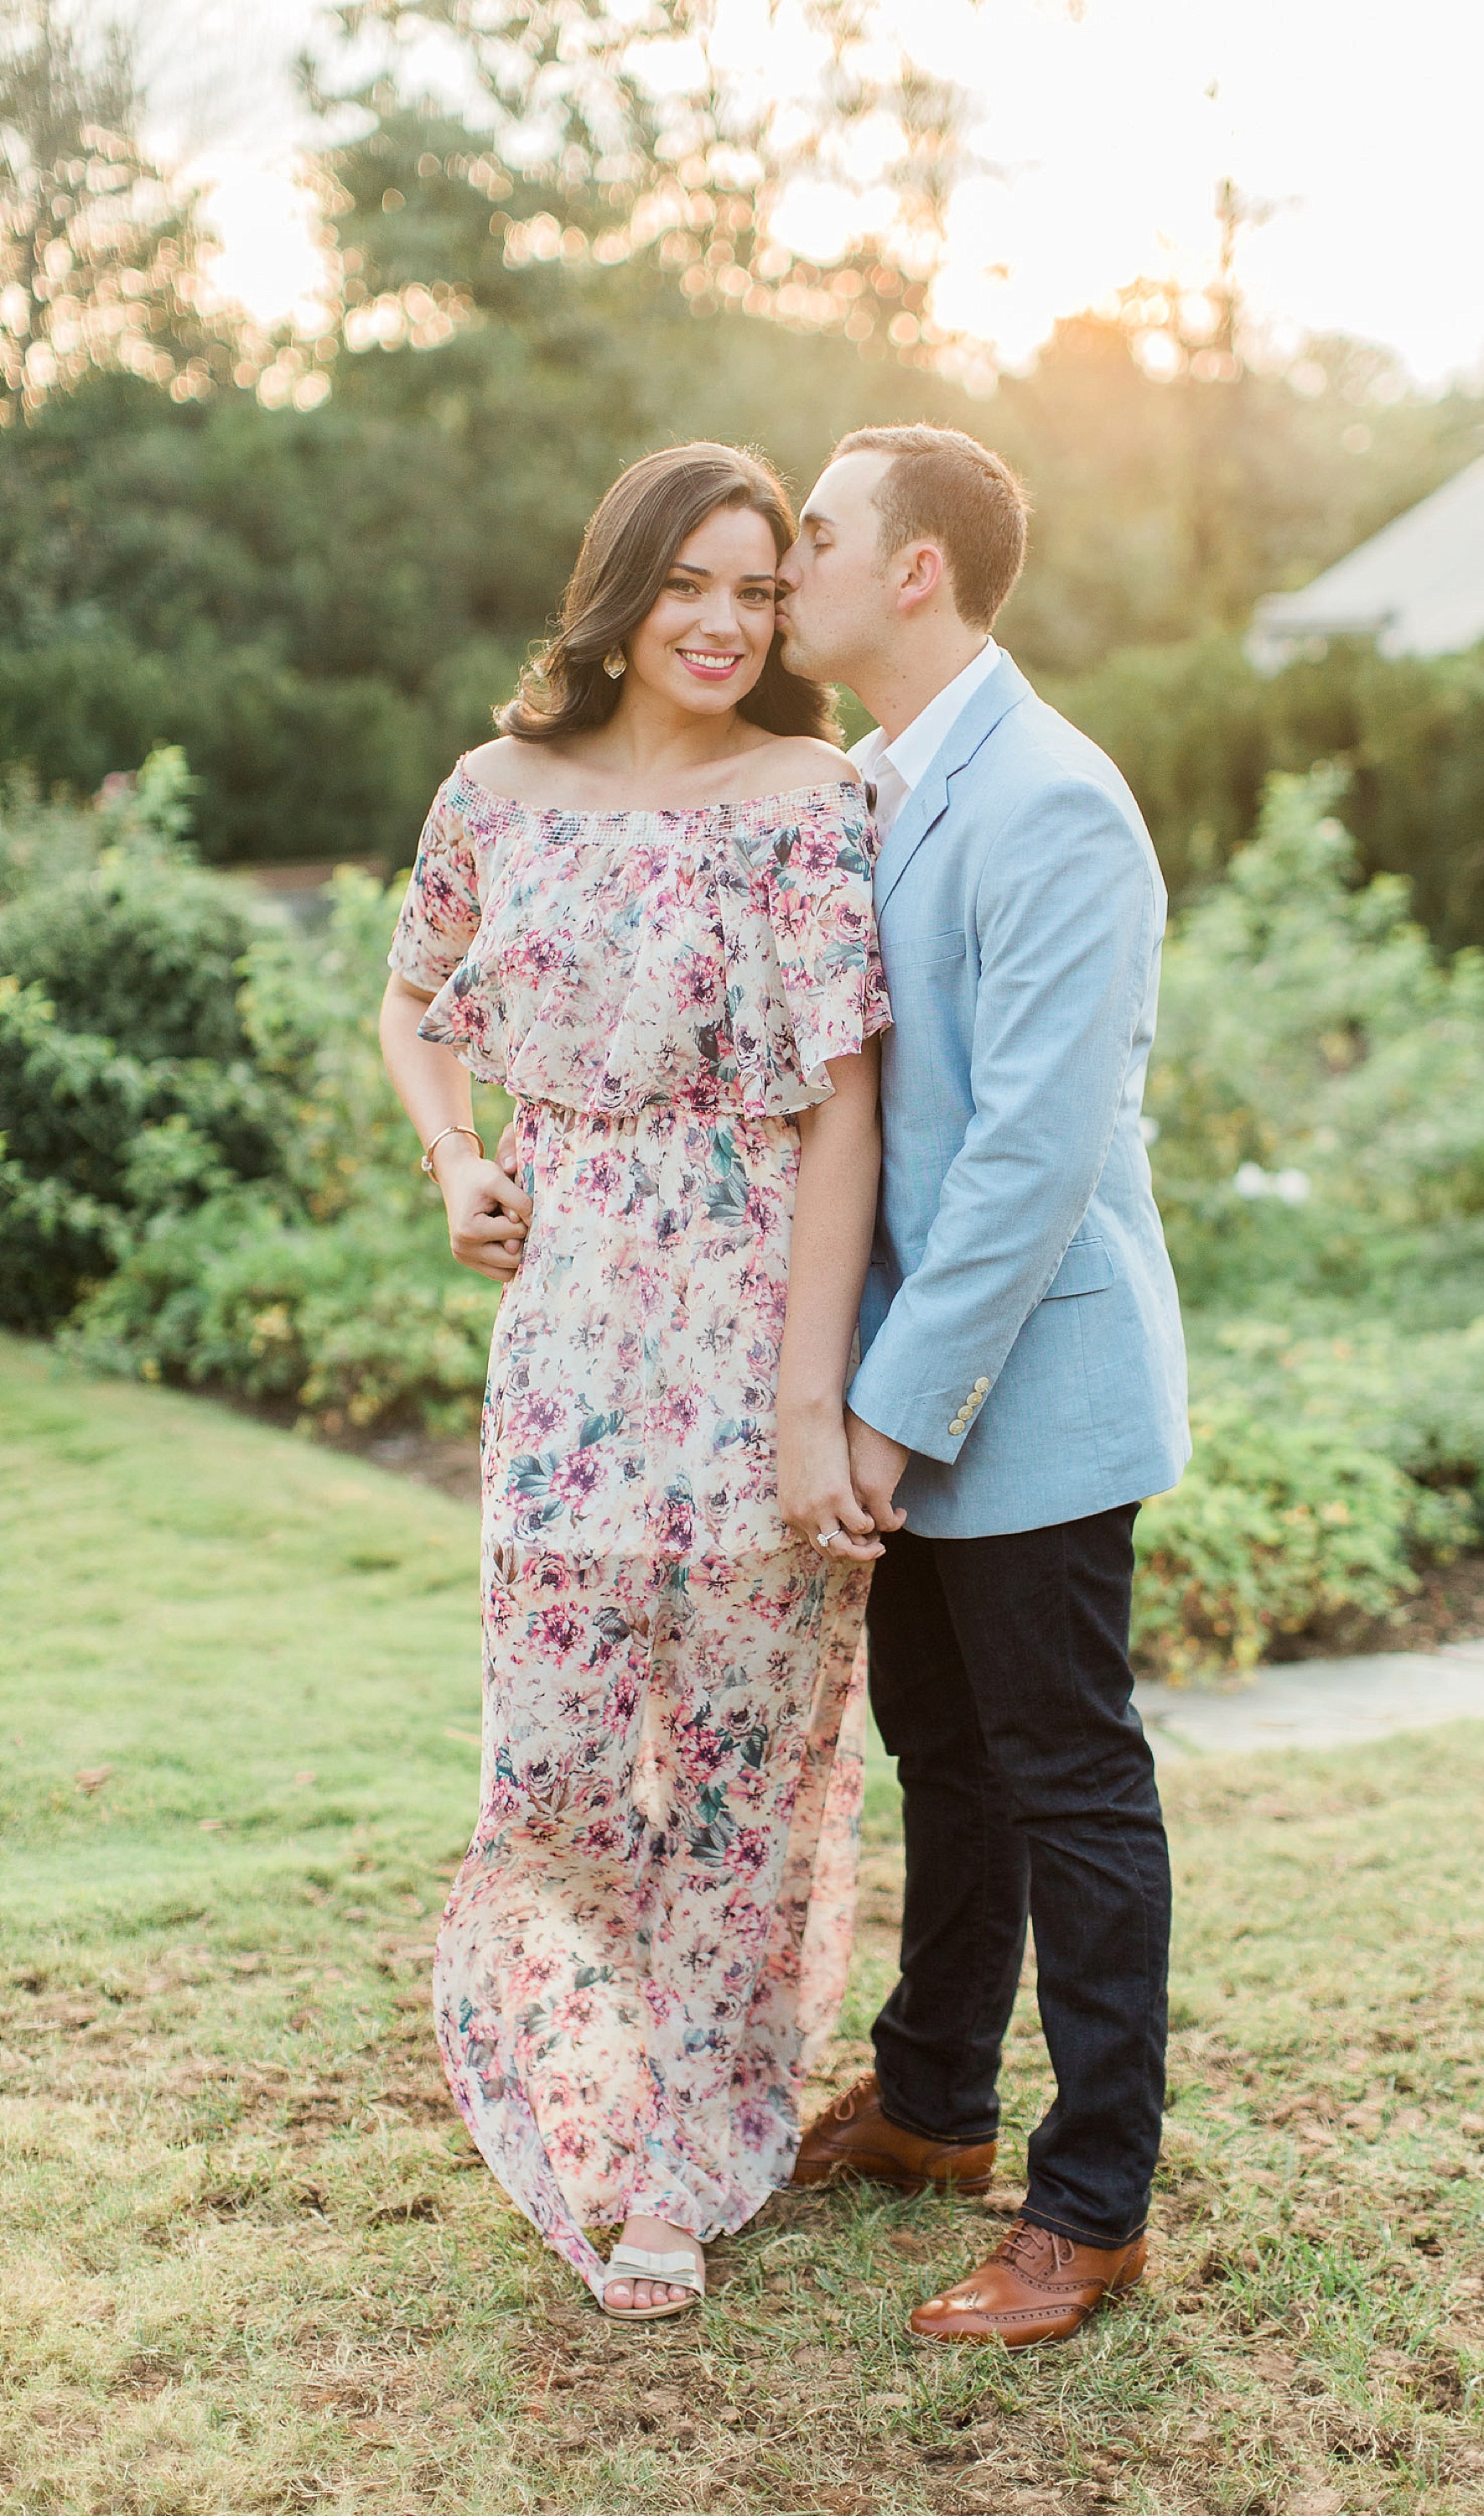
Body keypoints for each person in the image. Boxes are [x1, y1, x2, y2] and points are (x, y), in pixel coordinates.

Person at [379, 442, 891, 2323]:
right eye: (691, 582)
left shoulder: (808, 796)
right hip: (573, 1341)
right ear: (621, 591)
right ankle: (588, 2098)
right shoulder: (495, 792)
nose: (723, 621)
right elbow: (414, 997)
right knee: (564, 1764)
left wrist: (806, 1398)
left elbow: (846, 1110)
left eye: (758, 590)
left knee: (747, 1776)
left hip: (760, 1319)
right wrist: (456, 1155)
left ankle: (671, 2162)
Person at [774, 425, 1190, 2349]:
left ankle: (1089, 2206)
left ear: (916, 568)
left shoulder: (1052, 802)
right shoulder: (872, 778)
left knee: (1071, 1780)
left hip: (1025, 1381)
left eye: (815, 535)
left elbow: (1027, 1154)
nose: (785, 565)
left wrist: (884, 1408)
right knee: (940, 1750)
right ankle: (935, 2100)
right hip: (906, 1377)